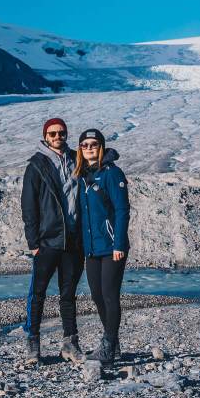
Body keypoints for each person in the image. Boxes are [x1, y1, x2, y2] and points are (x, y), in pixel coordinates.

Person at [20, 117, 86, 365]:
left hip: (73, 241)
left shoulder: (77, 159)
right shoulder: (36, 165)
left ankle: (70, 343)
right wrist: (33, 242)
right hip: (47, 241)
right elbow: (29, 205)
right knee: (38, 293)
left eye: (61, 133)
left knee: (68, 294)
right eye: (52, 133)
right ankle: (33, 344)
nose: (57, 137)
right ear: (45, 136)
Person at [74, 128, 130, 365]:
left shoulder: (112, 174)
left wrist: (119, 243)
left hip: (111, 247)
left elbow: (122, 210)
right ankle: (113, 344)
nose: (89, 148)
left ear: (102, 146)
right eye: (84, 145)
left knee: (109, 295)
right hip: (92, 248)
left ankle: (108, 347)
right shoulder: (82, 175)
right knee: (97, 295)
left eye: (93, 144)